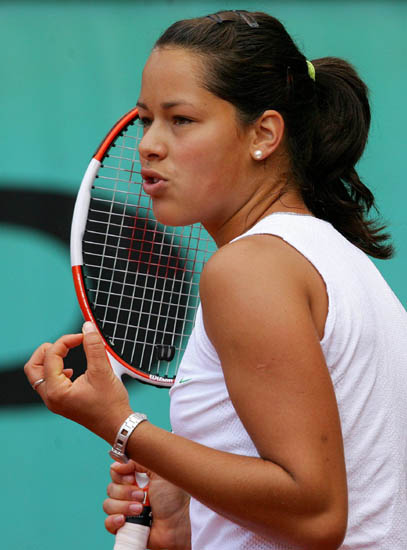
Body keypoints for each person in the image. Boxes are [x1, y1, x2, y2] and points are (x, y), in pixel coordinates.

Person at [24, 9, 407, 550]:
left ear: (264, 134)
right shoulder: (335, 260)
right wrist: (185, 522)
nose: (149, 144)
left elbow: (317, 515)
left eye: (180, 119)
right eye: (144, 119)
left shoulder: (249, 269)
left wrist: (124, 426)